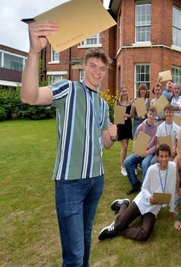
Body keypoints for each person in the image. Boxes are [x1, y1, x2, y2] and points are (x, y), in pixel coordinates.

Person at [20, 20, 117, 267]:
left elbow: (105, 143)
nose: (98, 71)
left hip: (96, 181)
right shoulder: (68, 89)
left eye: (102, 68)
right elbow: (29, 96)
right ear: (83, 66)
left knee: (84, 242)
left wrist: (112, 136)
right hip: (70, 184)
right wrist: (34, 52)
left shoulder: (103, 104)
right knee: (73, 256)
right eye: (93, 66)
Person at [98, 144, 177, 242]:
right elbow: (144, 188)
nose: (164, 159)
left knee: (144, 235)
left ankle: (118, 231)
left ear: (169, 157)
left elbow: (172, 187)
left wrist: (172, 209)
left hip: (153, 208)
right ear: (157, 157)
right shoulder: (152, 169)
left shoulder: (173, 167)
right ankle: (123, 205)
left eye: (166, 156)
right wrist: (149, 197)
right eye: (161, 156)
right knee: (119, 224)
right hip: (142, 201)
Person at [124, 106, 158, 195]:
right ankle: (135, 183)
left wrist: (148, 152)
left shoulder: (157, 128)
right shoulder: (140, 126)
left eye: (153, 115)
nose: (151, 116)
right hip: (139, 151)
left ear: (155, 116)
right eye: (150, 114)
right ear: (147, 114)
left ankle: (145, 188)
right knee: (127, 162)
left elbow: (157, 145)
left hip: (149, 153)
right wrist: (136, 150)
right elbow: (135, 140)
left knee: (145, 164)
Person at [115, 85, 133, 177]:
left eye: (126, 91)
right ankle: (122, 167)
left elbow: (131, 115)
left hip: (128, 125)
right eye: (123, 91)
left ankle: (125, 165)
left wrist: (127, 115)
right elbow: (116, 116)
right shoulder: (117, 102)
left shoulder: (130, 102)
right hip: (121, 126)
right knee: (124, 147)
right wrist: (116, 127)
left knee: (126, 147)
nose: (125, 93)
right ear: (121, 92)